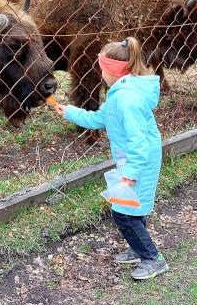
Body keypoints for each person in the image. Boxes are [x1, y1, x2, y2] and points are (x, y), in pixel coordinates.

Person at [52, 36, 167, 281]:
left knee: (123, 213)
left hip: (139, 162)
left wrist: (131, 174)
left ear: (112, 71)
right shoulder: (118, 95)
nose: (100, 74)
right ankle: (139, 249)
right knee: (131, 209)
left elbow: (140, 142)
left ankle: (152, 258)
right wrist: (70, 112)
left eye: (102, 69)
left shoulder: (127, 100)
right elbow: (98, 120)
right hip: (133, 160)